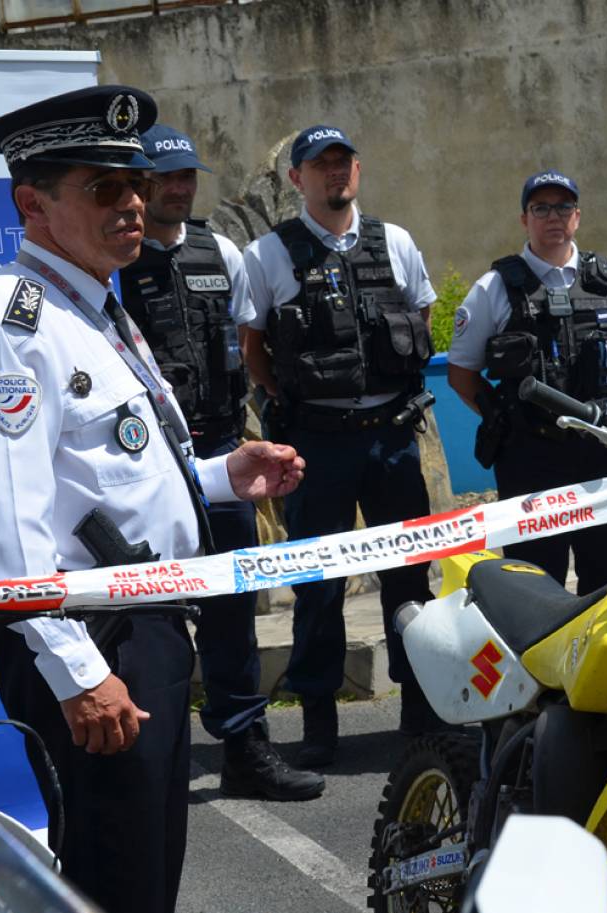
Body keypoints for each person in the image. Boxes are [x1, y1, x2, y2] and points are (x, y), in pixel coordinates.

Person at [0, 84, 305, 913]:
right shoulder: (12, 321)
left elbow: (107, 476)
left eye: (136, 185)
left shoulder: (94, 308)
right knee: (115, 882)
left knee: (143, 874)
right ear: (33, 204)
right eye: (104, 189)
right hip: (97, 641)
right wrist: (78, 673)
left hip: (148, 626)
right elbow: (0, 522)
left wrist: (221, 475)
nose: (134, 203)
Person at [120, 123, 323, 800]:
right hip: (144, 466)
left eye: (187, 177)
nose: (178, 188)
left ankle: (245, 750)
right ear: (140, 183)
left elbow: (248, 337)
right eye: (165, 177)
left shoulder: (222, 250)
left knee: (233, 609)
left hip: (222, 456)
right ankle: (149, 757)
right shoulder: (117, 261)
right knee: (147, 614)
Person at [241, 124, 438, 768]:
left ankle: (421, 708)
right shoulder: (269, 254)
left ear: (358, 170)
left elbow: (421, 318)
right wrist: (290, 410)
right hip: (317, 445)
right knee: (318, 584)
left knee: (408, 578)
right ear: (296, 178)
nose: (335, 174)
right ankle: (319, 720)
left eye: (344, 163)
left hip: (388, 438)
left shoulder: (396, 243)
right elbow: (254, 350)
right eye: (320, 165)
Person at [447, 171, 607, 591]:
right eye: (541, 208)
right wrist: (500, 418)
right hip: (531, 465)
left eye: (563, 207)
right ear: (524, 219)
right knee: (535, 588)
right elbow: (461, 372)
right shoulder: (495, 288)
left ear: (577, 216)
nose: (553, 216)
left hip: (604, 461)